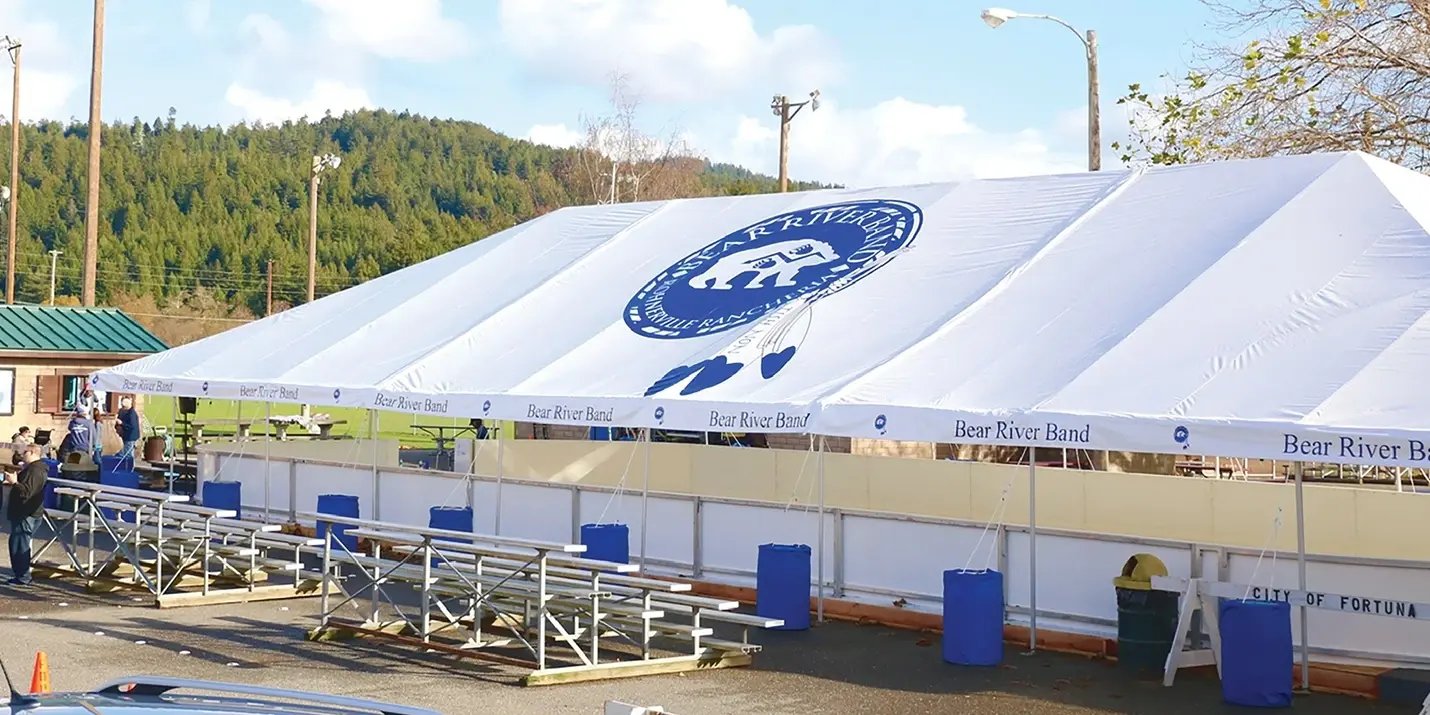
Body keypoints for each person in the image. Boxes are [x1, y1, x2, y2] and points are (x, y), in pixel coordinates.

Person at [5, 444, 47, 586]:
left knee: (19, 545)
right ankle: (22, 574)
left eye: (25, 452)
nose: (22, 455)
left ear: (32, 452)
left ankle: (22, 576)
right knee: (19, 543)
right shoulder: (35, 469)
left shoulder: (34, 471)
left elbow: (27, 492)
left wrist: (15, 482)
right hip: (30, 512)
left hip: (26, 512)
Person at [115, 397, 141, 461]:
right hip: (127, 435)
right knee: (128, 453)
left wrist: (121, 423)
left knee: (127, 454)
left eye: (123, 406)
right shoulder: (127, 412)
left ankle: (128, 465)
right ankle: (130, 465)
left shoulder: (131, 414)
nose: (122, 407)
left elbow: (132, 426)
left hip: (130, 436)